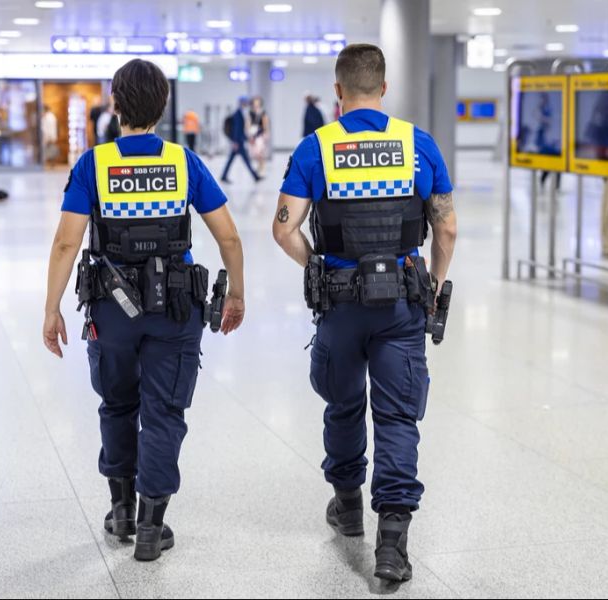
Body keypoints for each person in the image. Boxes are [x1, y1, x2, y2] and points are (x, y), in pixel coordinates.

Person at [42, 58, 246, 563]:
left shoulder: (95, 164)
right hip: (176, 306)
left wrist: (51, 308)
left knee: (117, 404)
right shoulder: (184, 162)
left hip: (110, 310)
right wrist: (236, 292)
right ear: (164, 106)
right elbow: (228, 236)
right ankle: (153, 525)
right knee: (164, 410)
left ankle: (122, 511)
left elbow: (68, 243)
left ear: (114, 103)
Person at [272, 43, 457, 583]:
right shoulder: (418, 145)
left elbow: (284, 228)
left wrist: (319, 266)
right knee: (398, 414)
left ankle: (348, 504)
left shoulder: (315, 148)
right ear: (384, 87)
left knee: (344, 401)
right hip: (401, 301)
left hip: (341, 300)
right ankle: (393, 544)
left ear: (337, 92)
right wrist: (434, 285)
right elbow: (445, 225)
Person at [220, 96, 262, 184]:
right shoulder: (238, 114)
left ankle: (224, 176)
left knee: (233, 160)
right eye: (245, 102)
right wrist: (235, 142)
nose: (247, 104)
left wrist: (247, 139)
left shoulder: (240, 113)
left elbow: (240, 130)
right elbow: (237, 129)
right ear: (242, 103)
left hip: (239, 141)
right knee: (245, 160)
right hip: (238, 142)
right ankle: (255, 176)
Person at [249, 97, 270, 176]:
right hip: (254, 135)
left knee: (261, 152)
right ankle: (259, 166)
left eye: (257, 103)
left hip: (261, 135)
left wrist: (266, 133)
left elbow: (265, 124)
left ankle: (262, 168)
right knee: (256, 153)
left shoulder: (263, 113)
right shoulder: (251, 113)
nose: (256, 104)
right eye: (255, 103)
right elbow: (249, 123)